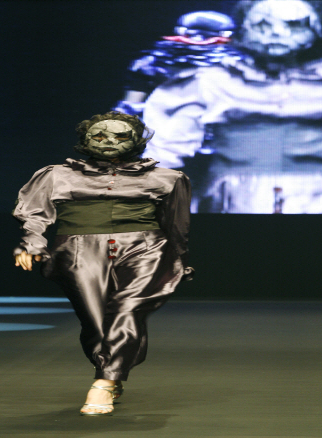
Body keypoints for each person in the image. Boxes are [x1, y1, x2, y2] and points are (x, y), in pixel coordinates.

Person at [143, 0, 322, 213]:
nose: (276, 33)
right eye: (262, 24)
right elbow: (163, 155)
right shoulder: (205, 82)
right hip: (231, 209)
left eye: (294, 24)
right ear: (244, 29)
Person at [13, 112, 192, 415]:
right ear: (85, 140)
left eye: (120, 136)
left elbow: (176, 225)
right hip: (78, 249)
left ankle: (104, 383)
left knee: (128, 309)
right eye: (99, 136)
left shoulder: (168, 178)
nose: (109, 141)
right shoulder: (56, 175)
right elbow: (34, 211)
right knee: (94, 321)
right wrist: (32, 243)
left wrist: (178, 262)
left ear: (136, 140)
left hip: (145, 248)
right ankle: (112, 368)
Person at [114, 10, 242, 117]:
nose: (198, 40)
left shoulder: (236, 66)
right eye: (193, 35)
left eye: (206, 36)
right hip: (160, 127)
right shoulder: (151, 64)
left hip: (214, 128)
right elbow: (130, 106)